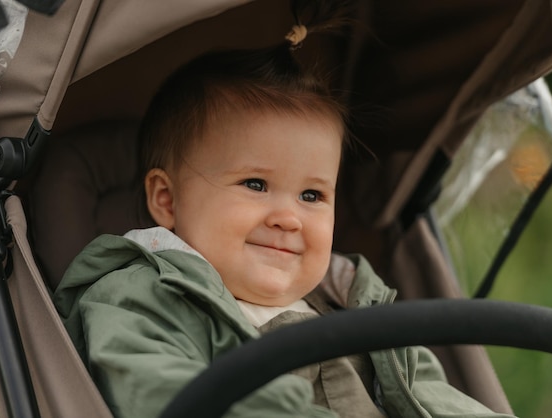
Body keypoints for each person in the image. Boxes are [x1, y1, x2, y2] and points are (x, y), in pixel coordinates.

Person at [53, 2, 517, 417]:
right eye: (256, 184)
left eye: (312, 196)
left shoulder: (354, 303)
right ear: (167, 200)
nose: (288, 218)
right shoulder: (139, 299)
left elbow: (430, 396)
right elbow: (161, 392)